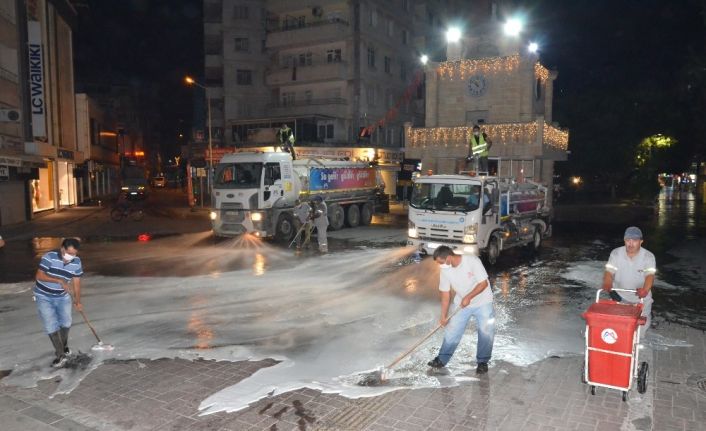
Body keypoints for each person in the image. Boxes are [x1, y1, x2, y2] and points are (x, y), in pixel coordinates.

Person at [428, 246, 495, 374]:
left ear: (448, 258)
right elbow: (445, 294)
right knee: (452, 331)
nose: (440, 265)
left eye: (441, 262)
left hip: (483, 301)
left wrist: (469, 297)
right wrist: (443, 316)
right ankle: (441, 359)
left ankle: (482, 362)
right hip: (461, 304)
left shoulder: (471, 261)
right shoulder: (445, 270)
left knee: (486, 332)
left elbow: (483, 283)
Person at [34, 238, 84, 368]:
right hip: (43, 296)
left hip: (62, 297)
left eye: (74, 254)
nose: (71, 257)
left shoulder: (76, 262)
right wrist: (59, 281)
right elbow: (39, 275)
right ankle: (60, 354)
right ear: (62, 249)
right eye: (69, 253)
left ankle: (64, 345)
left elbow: (77, 283)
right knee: (51, 324)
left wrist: (78, 301)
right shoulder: (49, 257)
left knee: (66, 322)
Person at [602, 226, 656, 337]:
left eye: (635, 241)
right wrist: (607, 283)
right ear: (624, 240)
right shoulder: (616, 253)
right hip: (620, 296)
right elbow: (609, 271)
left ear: (641, 242)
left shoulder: (648, 256)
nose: (630, 244)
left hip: (641, 298)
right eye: (628, 240)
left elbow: (650, 276)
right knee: (618, 330)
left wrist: (645, 290)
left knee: (639, 334)